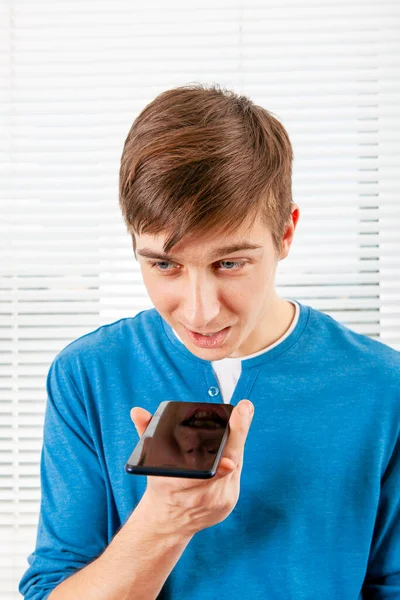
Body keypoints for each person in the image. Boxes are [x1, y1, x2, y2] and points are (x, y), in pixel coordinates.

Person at [19, 83, 400, 600]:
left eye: (229, 263)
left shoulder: (384, 386)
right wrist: (162, 524)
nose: (200, 310)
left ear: (285, 234)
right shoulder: (88, 374)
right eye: (164, 265)